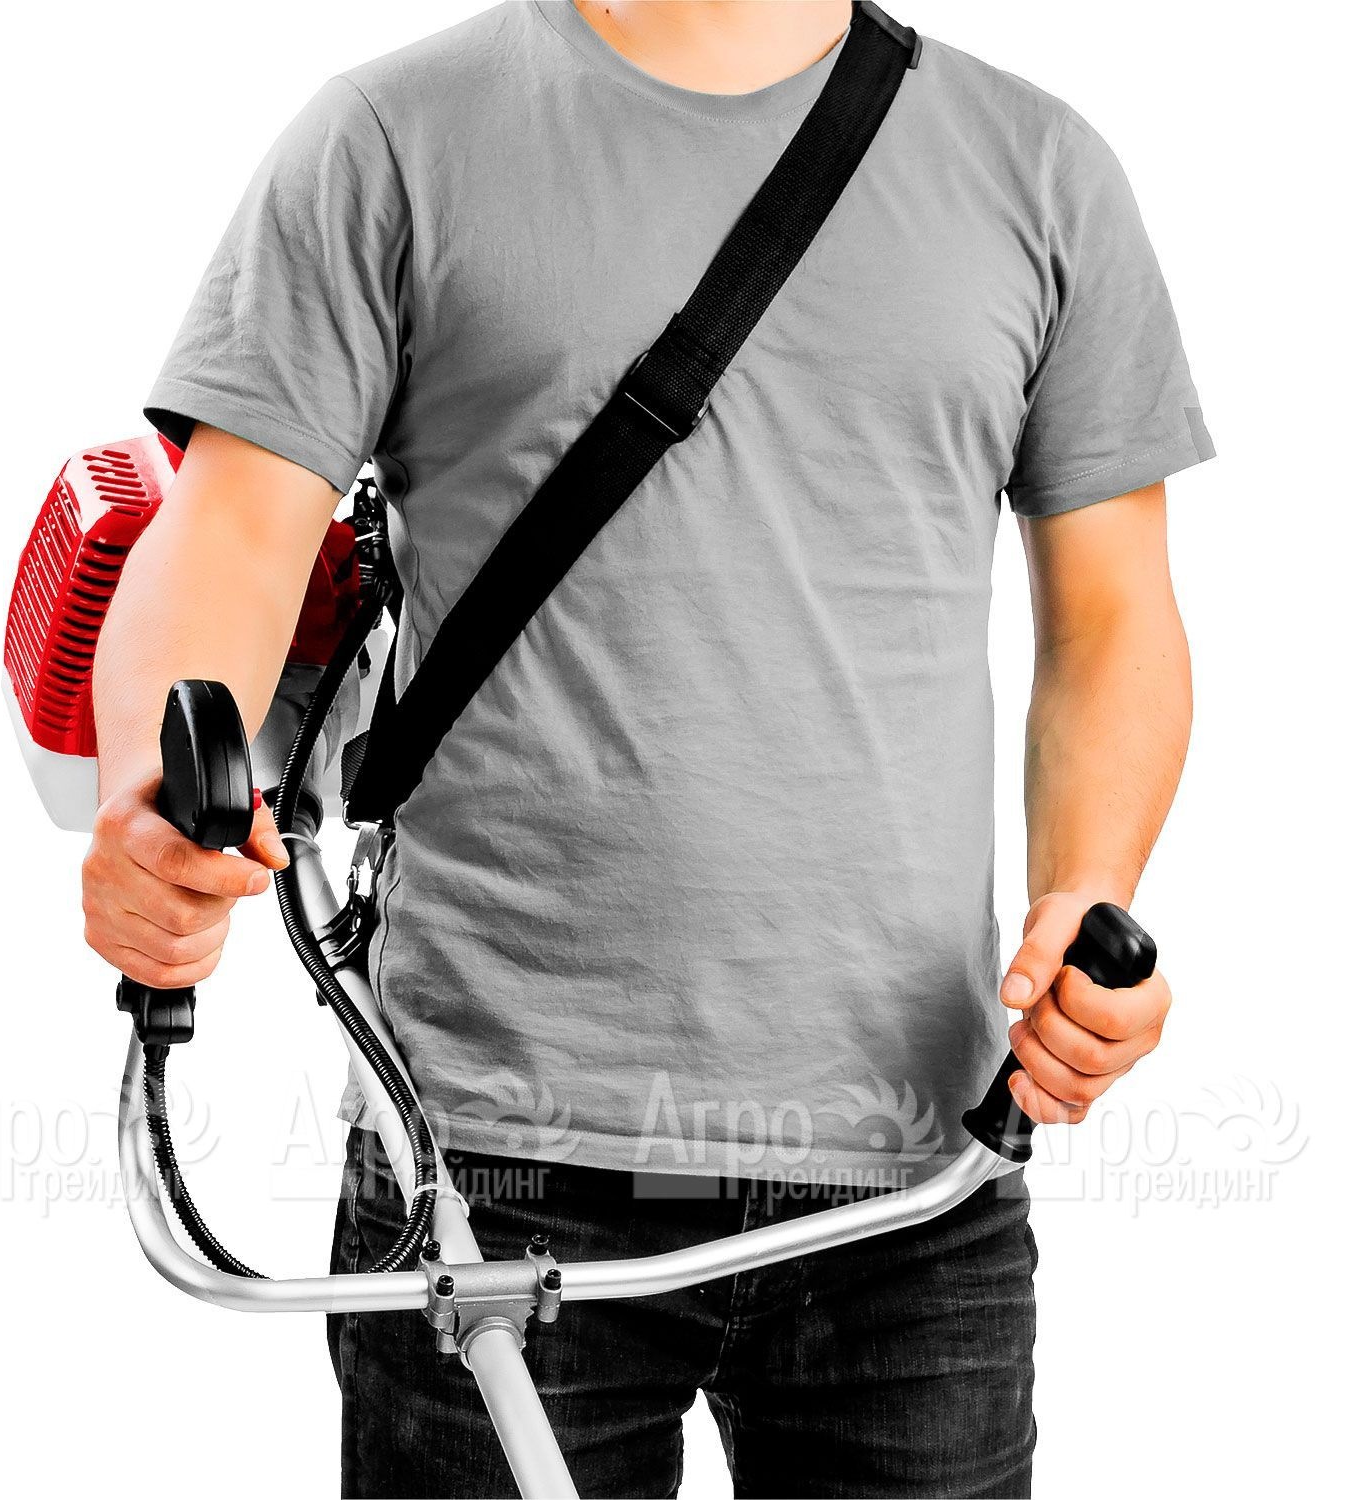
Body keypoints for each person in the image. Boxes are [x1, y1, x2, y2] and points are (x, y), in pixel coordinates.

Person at [82, 3, 1211, 1494]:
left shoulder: (1042, 171)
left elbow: (1114, 619)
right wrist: (150, 803)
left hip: (918, 1178)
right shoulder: (391, 140)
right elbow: (229, 533)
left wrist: (1089, 893)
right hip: (483, 1165)